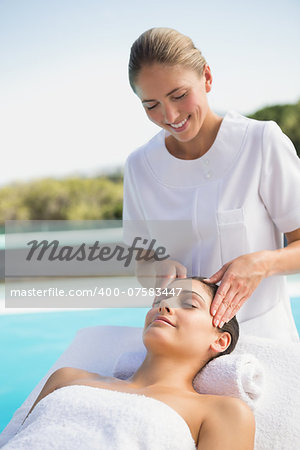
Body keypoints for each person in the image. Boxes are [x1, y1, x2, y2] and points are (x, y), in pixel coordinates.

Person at [123, 27, 300, 342]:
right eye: (151, 105)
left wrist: (263, 262)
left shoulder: (260, 142)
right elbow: (141, 259)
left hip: (262, 339)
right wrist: (155, 269)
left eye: (179, 95)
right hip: (182, 352)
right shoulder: (140, 166)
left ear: (206, 77)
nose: (170, 115)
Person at [3, 278, 254, 450]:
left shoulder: (221, 412)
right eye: (160, 300)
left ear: (220, 341)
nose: (164, 306)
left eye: (189, 304)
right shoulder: (66, 378)